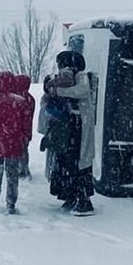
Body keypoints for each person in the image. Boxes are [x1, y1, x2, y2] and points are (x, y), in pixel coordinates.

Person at [44, 50, 96, 216]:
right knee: (67, 161)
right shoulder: (66, 77)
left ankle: (84, 199)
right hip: (71, 126)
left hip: (80, 126)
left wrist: (58, 91)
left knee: (80, 162)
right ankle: (70, 195)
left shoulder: (81, 76)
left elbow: (82, 91)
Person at [0, 71, 29, 214]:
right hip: (14, 146)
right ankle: (11, 205)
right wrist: (20, 138)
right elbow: (25, 126)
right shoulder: (20, 102)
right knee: (12, 177)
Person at [11, 74, 36, 179]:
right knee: (24, 149)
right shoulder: (30, 98)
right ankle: (24, 168)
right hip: (26, 130)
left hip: (15, 130)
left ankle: (19, 170)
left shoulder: (14, 98)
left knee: (15, 150)